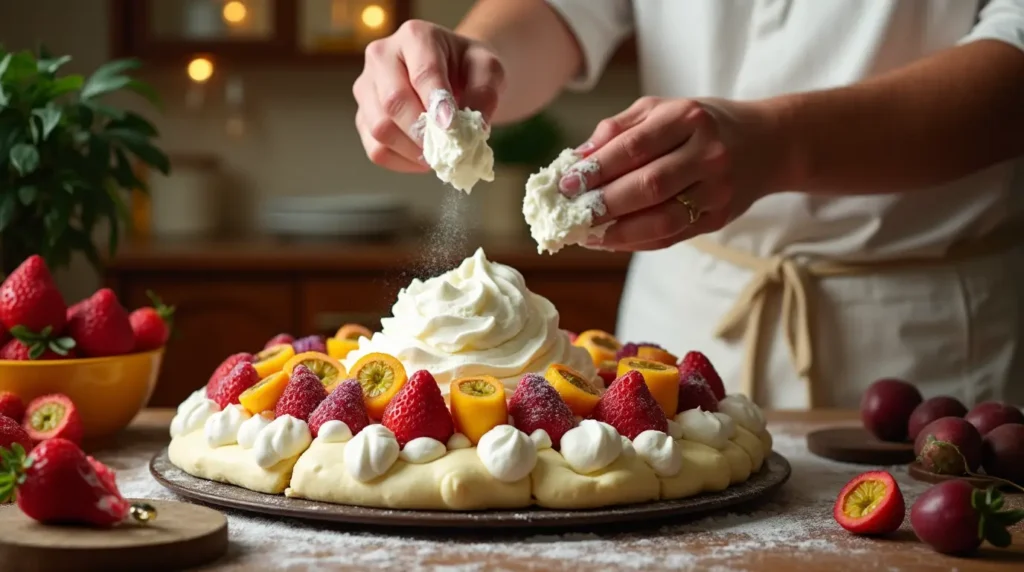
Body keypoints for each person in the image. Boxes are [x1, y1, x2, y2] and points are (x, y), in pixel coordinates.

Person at [352, 0, 1024, 409]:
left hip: (925, 337)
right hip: (686, 309)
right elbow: (554, 12)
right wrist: (473, 61)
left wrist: (780, 144)